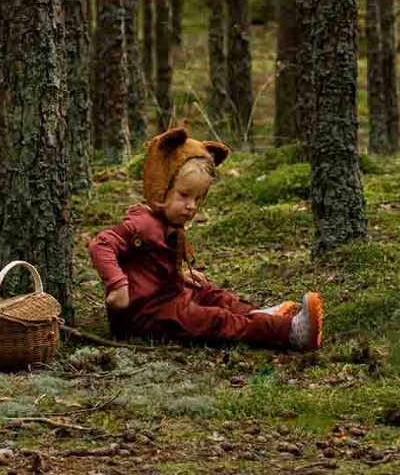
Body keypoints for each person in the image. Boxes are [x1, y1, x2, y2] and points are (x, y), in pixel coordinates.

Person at [89, 127, 323, 350]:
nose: (191, 206)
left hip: (169, 298)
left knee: (209, 293)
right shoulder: (141, 224)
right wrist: (118, 285)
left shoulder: (168, 223)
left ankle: (264, 314)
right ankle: (289, 332)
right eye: (184, 195)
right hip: (146, 316)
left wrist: (177, 275)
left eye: (198, 199)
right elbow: (101, 244)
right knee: (216, 319)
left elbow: (148, 266)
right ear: (160, 186)